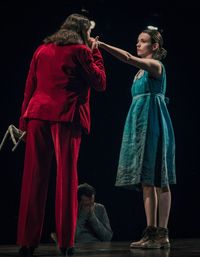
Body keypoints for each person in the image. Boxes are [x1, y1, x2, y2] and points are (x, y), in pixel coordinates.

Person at [17, 13, 106, 257]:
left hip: (36, 117)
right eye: (88, 32)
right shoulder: (81, 51)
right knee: (66, 180)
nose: (89, 37)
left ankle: (27, 242)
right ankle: (66, 243)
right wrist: (95, 51)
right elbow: (99, 82)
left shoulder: (42, 50)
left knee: (33, 179)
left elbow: (29, 87)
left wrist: (23, 125)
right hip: (65, 118)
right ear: (81, 31)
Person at [97, 27, 176, 249]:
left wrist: (102, 46)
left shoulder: (155, 65)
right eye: (137, 41)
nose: (138, 44)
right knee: (146, 180)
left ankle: (162, 233)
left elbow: (128, 58)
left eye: (143, 41)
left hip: (153, 123)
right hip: (140, 124)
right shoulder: (139, 73)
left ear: (155, 46)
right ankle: (151, 232)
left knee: (160, 177)